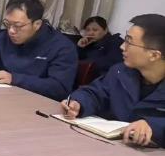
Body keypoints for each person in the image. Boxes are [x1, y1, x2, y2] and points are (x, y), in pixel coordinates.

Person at [62, 14, 165, 148]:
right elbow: (95, 92)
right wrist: (78, 103)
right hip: (112, 146)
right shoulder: (120, 72)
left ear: (154, 55)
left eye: (129, 42)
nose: (122, 46)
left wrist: (152, 126)